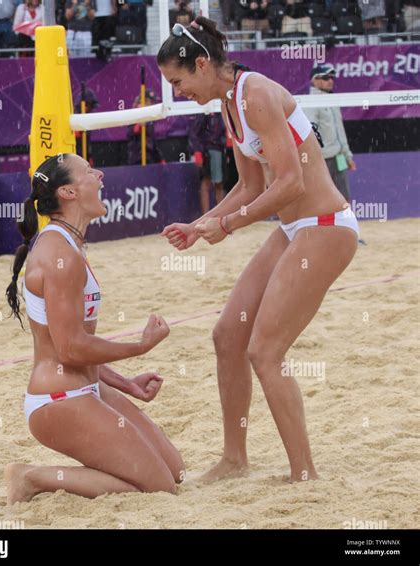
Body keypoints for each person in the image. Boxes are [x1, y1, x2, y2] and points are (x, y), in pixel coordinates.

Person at [158, 17, 360, 483]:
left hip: (326, 226)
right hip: (296, 229)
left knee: (265, 350)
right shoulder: (230, 106)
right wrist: (201, 224)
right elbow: (249, 185)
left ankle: (304, 473)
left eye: (178, 80)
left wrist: (226, 224)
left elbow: (292, 183)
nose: (178, 90)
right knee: (227, 335)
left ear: (203, 64)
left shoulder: (255, 94)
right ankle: (234, 460)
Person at [4, 153, 184, 503]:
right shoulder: (60, 253)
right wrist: (140, 346)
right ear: (69, 192)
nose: (99, 175)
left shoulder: (68, 244)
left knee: (175, 471)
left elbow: (69, 348)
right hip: (58, 398)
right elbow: (71, 348)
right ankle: (30, 477)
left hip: (86, 388)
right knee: (161, 488)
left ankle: (80, 474)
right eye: (88, 171)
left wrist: (125, 383)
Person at [304, 64, 356, 203]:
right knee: (323, 200)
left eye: (332, 77)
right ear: (314, 81)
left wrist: (347, 155)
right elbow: (310, 134)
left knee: (344, 199)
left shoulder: (332, 100)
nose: (330, 80)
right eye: (326, 77)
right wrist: (313, 160)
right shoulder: (311, 103)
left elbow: (340, 131)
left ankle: (345, 225)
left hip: (339, 158)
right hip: (323, 160)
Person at [188, 111, 226, 214]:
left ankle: (220, 214)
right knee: (206, 182)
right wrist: (197, 151)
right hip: (207, 150)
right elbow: (194, 133)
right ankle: (207, 215)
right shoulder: (205, 112)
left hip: (219, 149)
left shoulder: (221, 111)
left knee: (219, 183)